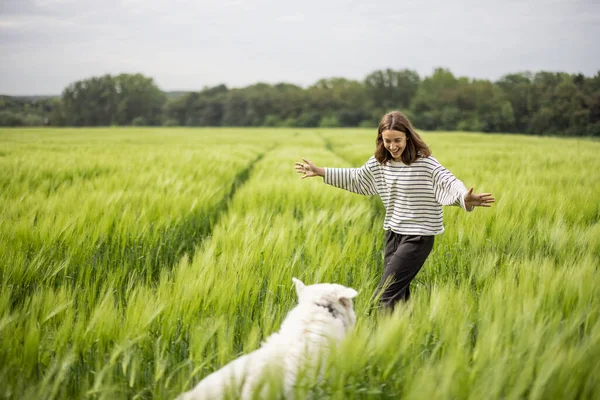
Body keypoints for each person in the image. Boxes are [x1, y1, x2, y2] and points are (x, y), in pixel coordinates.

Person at [294, 111, 494, 310]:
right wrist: (320, 172)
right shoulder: (381, 162)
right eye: (387, 141)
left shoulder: (424, 162)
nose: (392, 146)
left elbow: (447, 181)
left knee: (385, 295)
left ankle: (383, 336)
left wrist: (463, 197)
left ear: (408, 136)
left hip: (418, 236)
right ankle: (405, 335)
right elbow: (357, 178)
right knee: (398, 294)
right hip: (393, 234)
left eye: (397, 140)